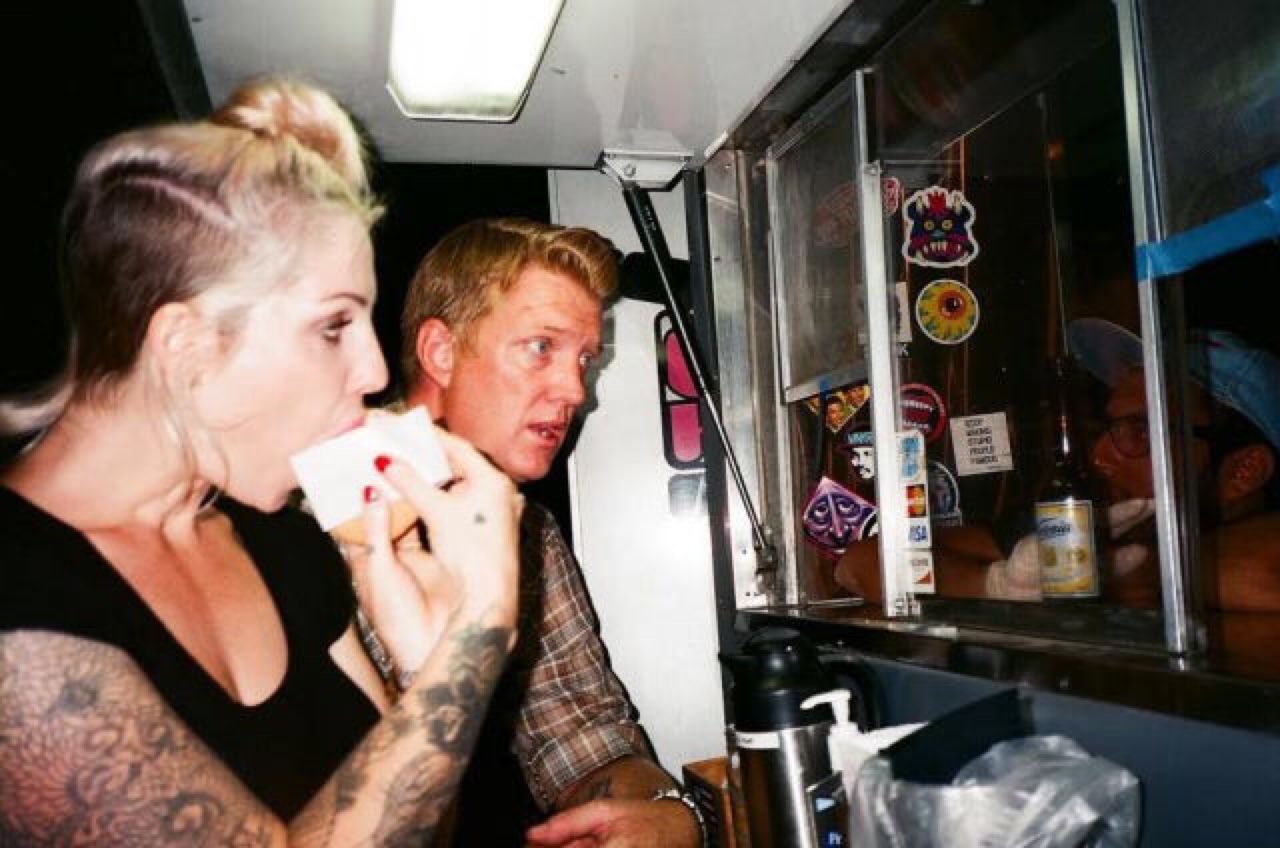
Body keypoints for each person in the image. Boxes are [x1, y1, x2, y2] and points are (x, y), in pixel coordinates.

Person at [0, 78, 523, 846]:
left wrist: (429, 662)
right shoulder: (17, 595)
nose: (376, 370)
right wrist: (477, 638)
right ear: (186, 347)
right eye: (334, 325)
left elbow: (420, 827)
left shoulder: (285, 544)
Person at [383, 218, 703, 846]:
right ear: (440, 352)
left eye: (585, 359)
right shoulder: (310, 522)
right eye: (540, 348)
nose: (576, 390)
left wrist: (665, 811)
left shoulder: (528, 532)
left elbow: (579, 734)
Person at [834, 317, 1280, 614]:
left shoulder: (1254, 540)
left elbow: (1265, 571)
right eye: (1108, 428)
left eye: (1139, 432)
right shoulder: (1101, 525)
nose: (1099, 455)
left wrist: (1110, 575)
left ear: (1244, 471)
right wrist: (995, 584)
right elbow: (860, 564)